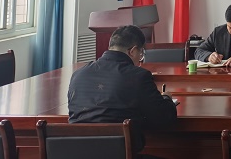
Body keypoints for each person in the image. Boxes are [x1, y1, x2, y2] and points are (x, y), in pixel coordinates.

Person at [67, 25, 178, 156]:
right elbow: (163, 118)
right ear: (133, 51)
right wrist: (166, 98)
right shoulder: (138, 76)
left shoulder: (78, 74)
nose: (140, 61)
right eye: (141, 54)